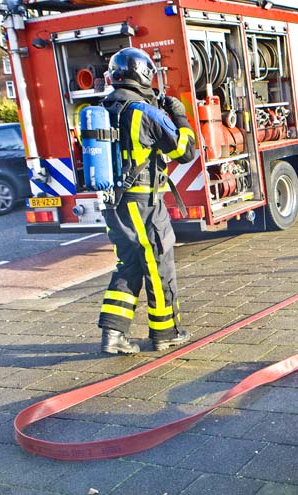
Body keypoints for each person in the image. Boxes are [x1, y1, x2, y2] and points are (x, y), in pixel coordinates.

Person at [97, 47, 197, 354]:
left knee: (128, 262)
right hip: (143, 203)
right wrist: (178, 114)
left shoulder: (103, 109)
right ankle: (166, 333)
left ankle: (113, 335)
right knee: (158, 264)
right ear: (142, 74)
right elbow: (185, 151)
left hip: (113, 202)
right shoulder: (145, 112)